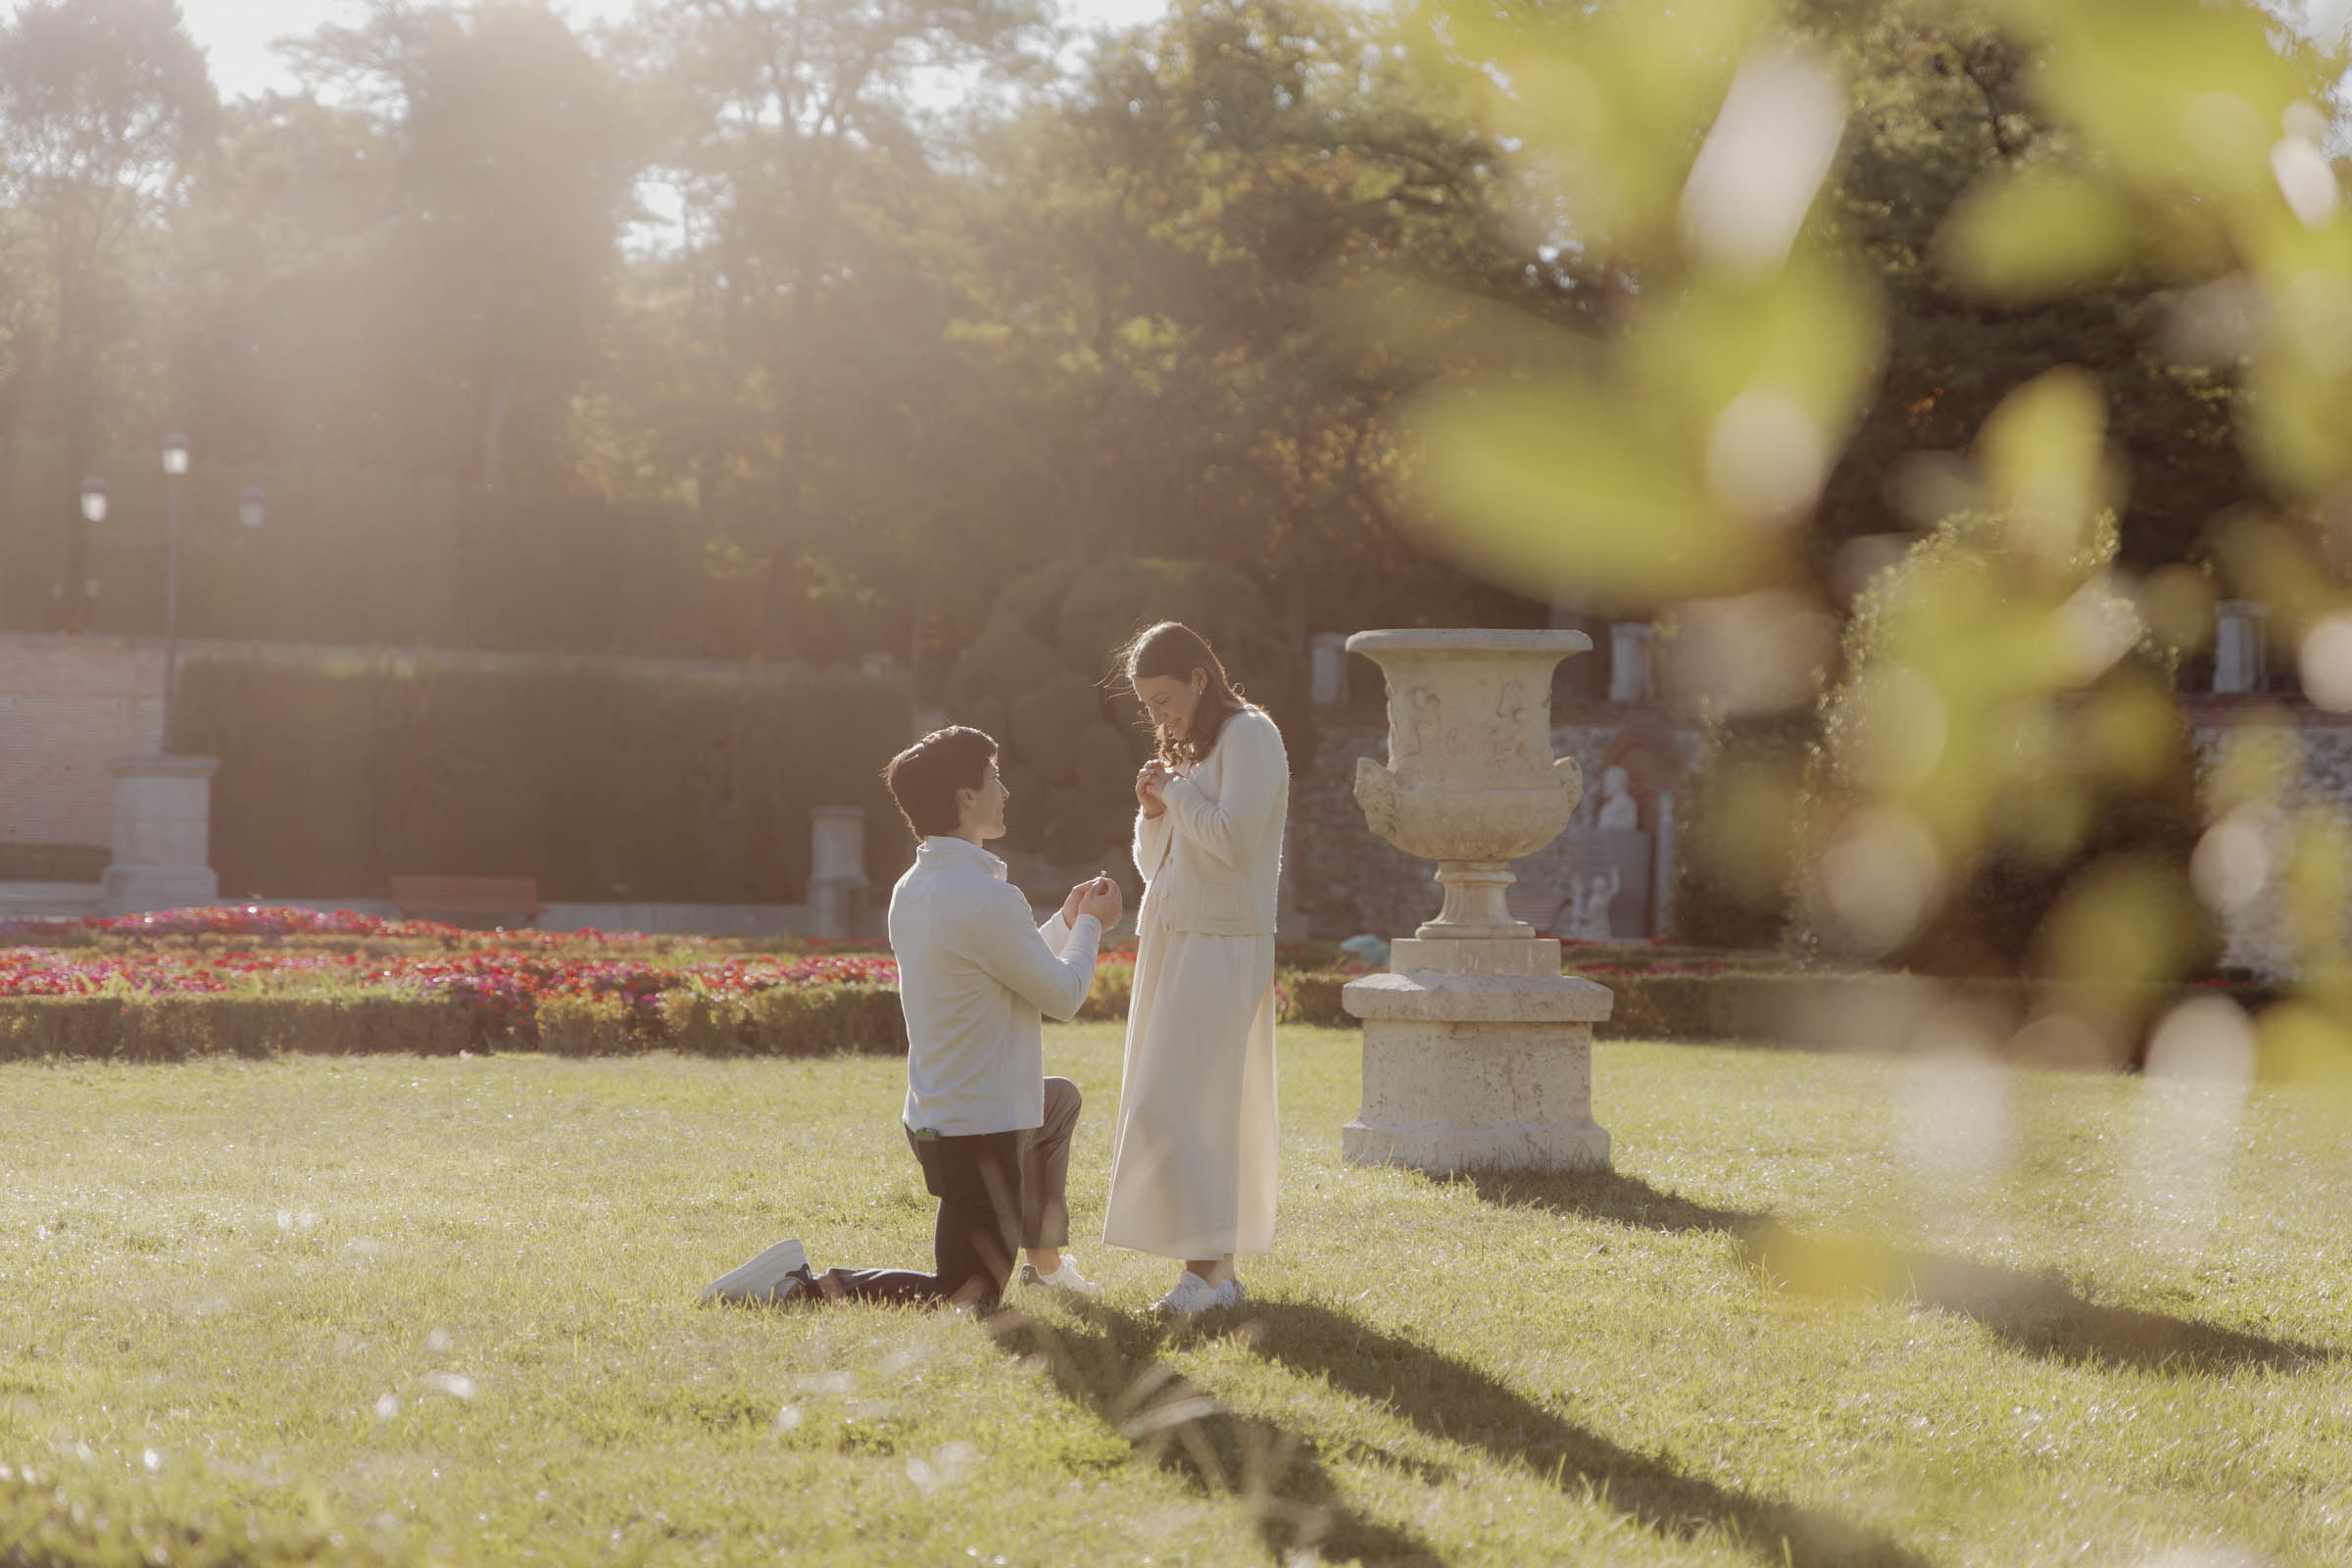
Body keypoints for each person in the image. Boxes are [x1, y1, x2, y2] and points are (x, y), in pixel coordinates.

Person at [707, 726, 1121, 1311]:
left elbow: (999, 961)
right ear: (965, 797)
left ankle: (1048, 1268)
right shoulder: (983, 896)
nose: (1005, 791)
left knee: (1057, 1102)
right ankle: (797, 1286)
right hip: (980, 1138)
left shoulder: (916, 886)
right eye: (994, 779)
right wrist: (1092, 926)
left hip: (944, 1121)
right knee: (966, 1295)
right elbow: (1061, 995)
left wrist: (1065, 920)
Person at [1102, 621, 1290, 1314]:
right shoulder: (1193, 749)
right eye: (1147, 706)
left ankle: (1201, 1273)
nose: (1158, 716)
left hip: (1222, 941)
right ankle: (1219, 1278)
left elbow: (1236, 844)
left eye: (1164, 699)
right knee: (1183, 1103)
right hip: (1171, 937)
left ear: (1200, 678)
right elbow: (1158, 867)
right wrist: (1153, 813)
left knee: (1187, 1106)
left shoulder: (1252, 737)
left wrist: (1177, 795)